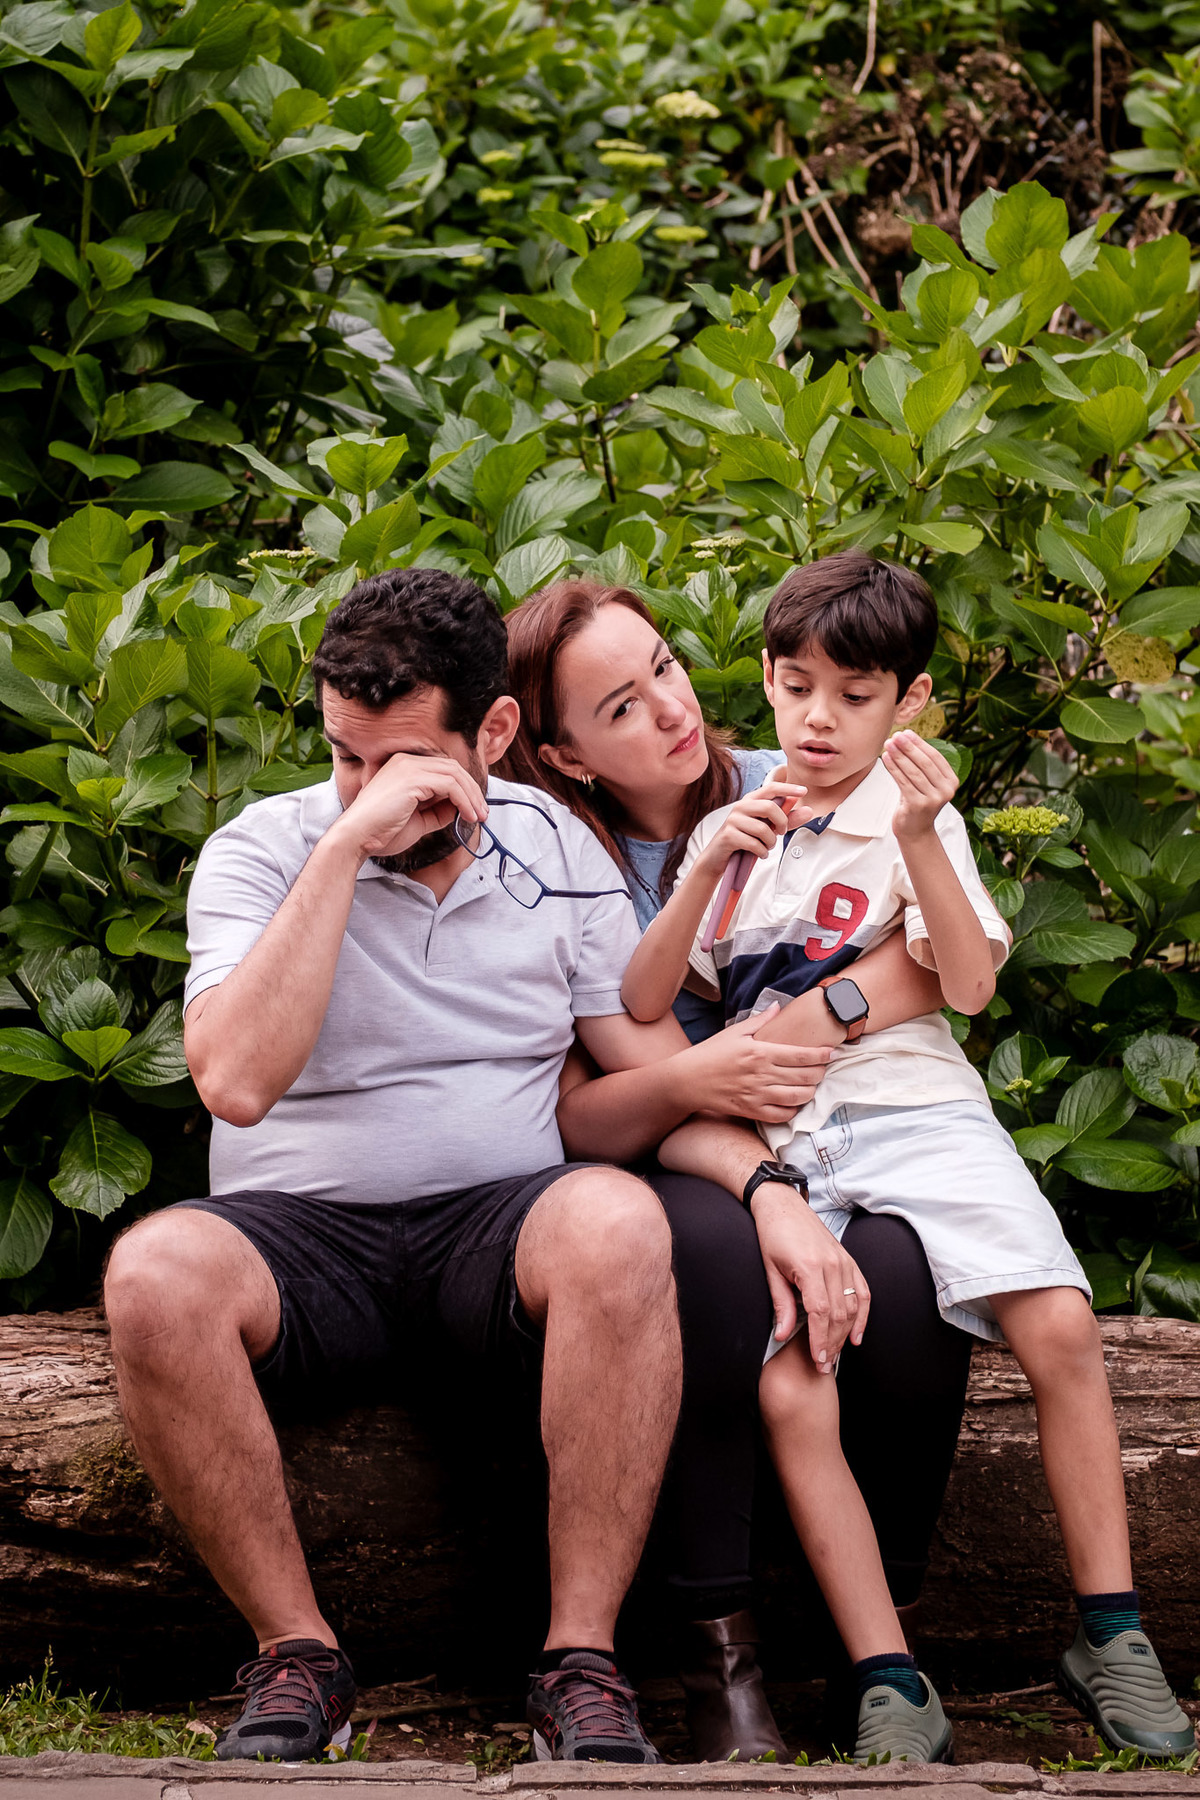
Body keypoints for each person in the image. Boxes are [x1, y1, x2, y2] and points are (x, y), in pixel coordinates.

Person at [102, 568, 831, 1766]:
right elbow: (233, 1081)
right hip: (303, 1239)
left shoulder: (554, 847)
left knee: (615, 1219)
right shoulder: (260, 852)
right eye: (344, 756)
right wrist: (342, 851)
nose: (365, 789)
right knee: (153, 1271)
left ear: (492, 735)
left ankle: (580, 1663)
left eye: (398, 765)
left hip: (495, 1229)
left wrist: (765, 1188)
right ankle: (300, 1657)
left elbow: (646, 1071)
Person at [619, 549, 1196, 1764]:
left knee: (1061, 1326)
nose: (819, 718)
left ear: (909, 700)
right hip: (784, 1138)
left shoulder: (907, 814)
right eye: (794, 686)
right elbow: (649, 993)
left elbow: (972, 984)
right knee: (790, 1386)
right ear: (766, 683)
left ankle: (1112, 1628)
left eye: (854, 693)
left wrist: (928, 831)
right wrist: (705, 866)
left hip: (913, 1106)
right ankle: (890, 1676)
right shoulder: (746, 836)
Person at [503, 579, 976, 1755]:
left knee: (907, 1276)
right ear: (562, 755)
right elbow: (588, 1113)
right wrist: (753, 1177)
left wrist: (811, 1021)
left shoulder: (797, 771)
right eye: (620, 705)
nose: (671, 709)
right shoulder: (566, 868)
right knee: (712, 1268)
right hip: (684, 1164)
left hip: (838, 1125)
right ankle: (724, 1650)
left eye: (664, 666)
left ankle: (876, 1644)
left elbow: (929, 961)